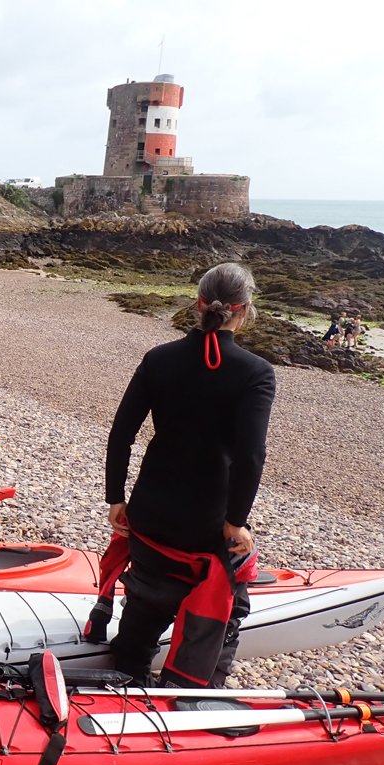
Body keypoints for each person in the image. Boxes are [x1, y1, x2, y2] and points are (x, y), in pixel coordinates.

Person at [103, 262, 276, 689]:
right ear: (244, 310)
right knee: (227, 613)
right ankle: (194, 693)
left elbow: (121, 434)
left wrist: (116, 499)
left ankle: (124, 680)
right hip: (209, 525)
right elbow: (251, 456)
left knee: (144, 603)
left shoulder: (159, 358)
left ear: (198, 304)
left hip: (150, 513)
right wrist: (236, 522)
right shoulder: (255, 372)